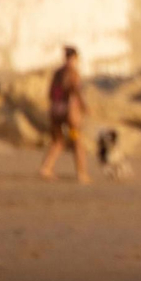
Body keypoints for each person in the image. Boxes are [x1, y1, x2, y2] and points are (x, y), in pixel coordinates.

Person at [39, 45, 90, 183]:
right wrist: (84, 107)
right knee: (77, 142)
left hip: (55, 112)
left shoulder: (57, 73)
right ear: (75, 58)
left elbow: (50, 93)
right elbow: (76, 90)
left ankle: (46, 168)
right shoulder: (73, 72)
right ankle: (81, 173)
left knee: (58, 141)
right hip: (69, 115)